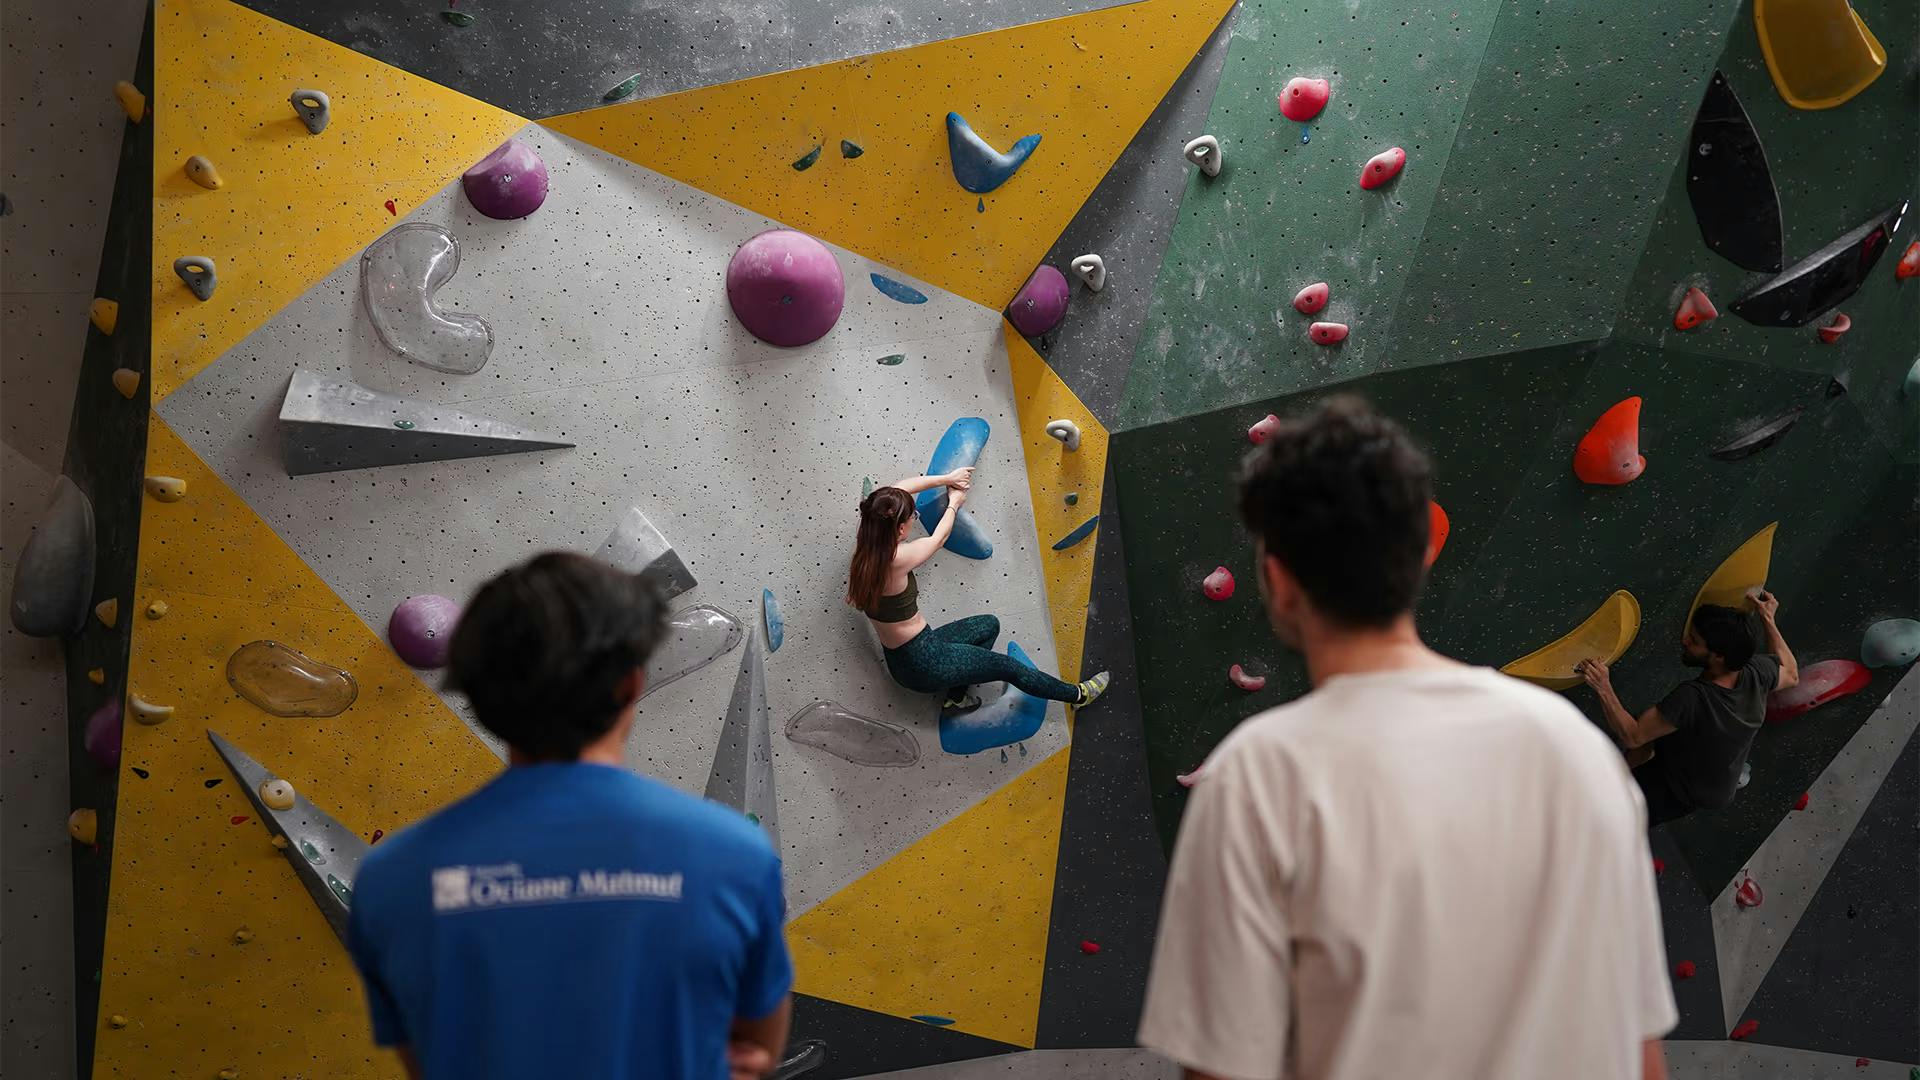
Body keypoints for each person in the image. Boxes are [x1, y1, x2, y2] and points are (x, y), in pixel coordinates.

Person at [1138, 396, 1676, 1080]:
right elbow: (1638, 1055)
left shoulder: (1261, 773)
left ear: (1276, 579)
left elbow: (1221, 1068)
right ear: (1421, 557)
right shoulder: (1574, 750)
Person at [345, 553, 793, 1080]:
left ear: (482, 697)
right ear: (630, 685)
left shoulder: (391, 881)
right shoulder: (734, 857)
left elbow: (432, 1063)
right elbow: (756, 1053)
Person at [847, 467, 1109, 711]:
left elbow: (900, 488)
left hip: (908, 655)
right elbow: (938, 540)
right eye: (912, 517)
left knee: (988, 626)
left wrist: (949, 478)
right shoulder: (896, 559)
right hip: (925, 663)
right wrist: (954, 503)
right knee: (1009, 668)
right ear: (900, 528)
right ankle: (1078, 695)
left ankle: (956, 699)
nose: (915, 519)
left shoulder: (869, 538)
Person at [1577, 593, 1799, 826]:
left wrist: (1603, 686)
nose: (1685, 641)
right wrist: (1768, 619)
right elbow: (1791, 673)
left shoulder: (1693, 698)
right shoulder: (1756, 671)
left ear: (1718, 657)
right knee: (1651, 730)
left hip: (1676, 789)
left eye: (1694, 640)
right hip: (1705, 769)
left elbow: (1633, 736)